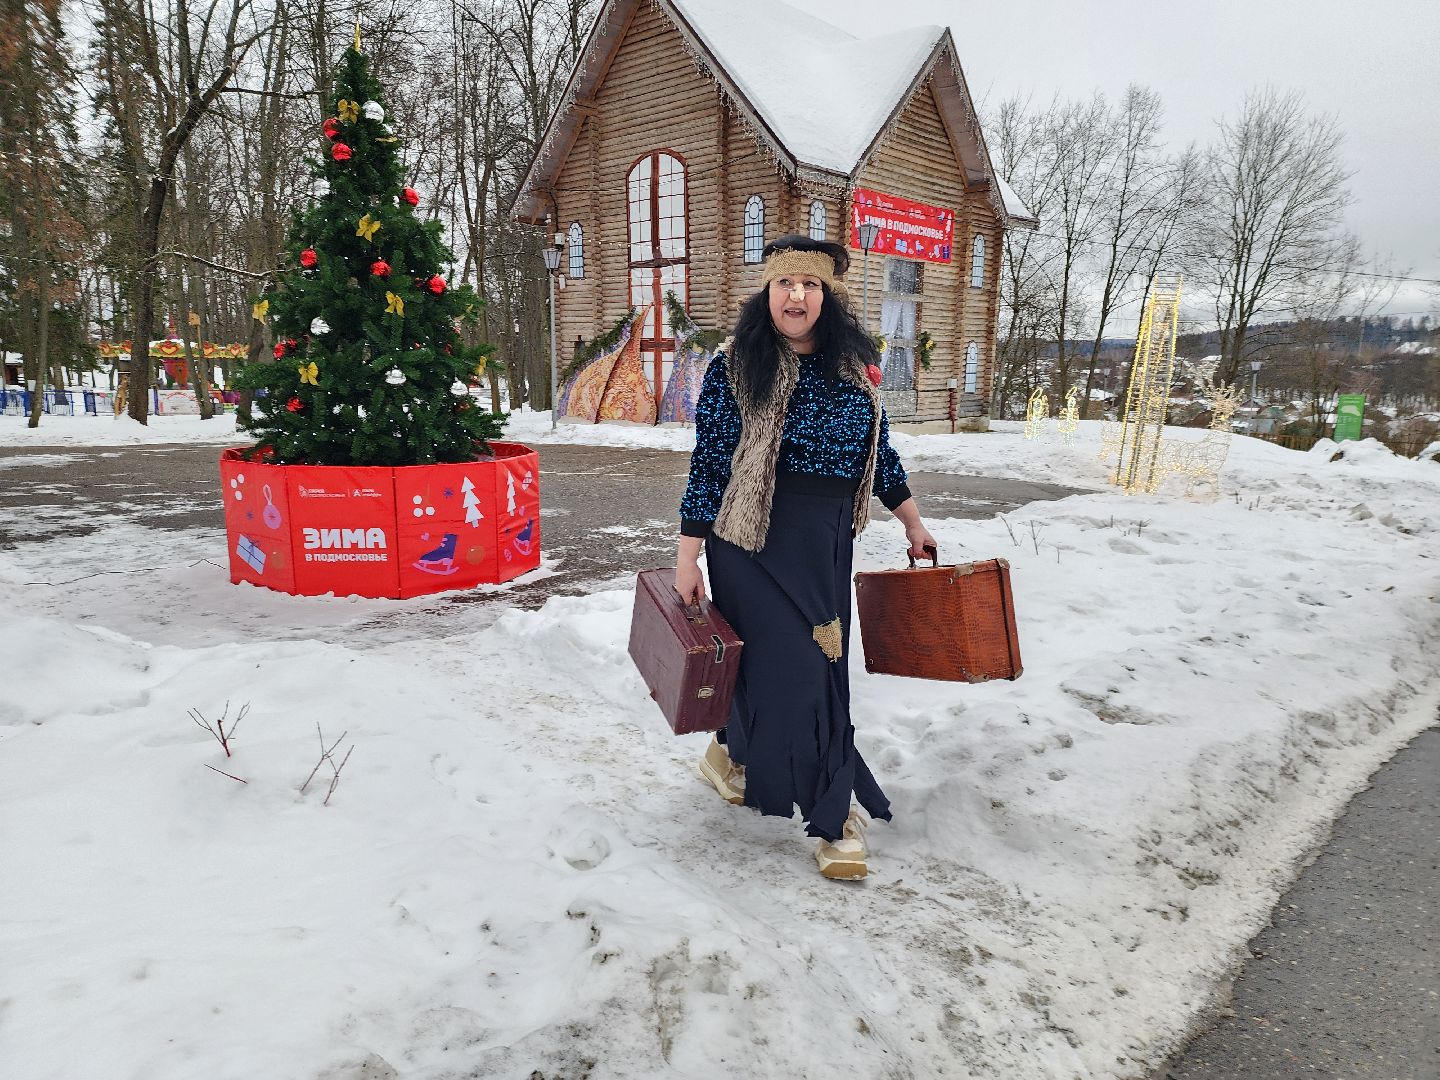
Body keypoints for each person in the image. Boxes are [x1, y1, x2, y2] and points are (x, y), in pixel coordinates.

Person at [675, 234, 936, 880]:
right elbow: (709, 466)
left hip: (823, 546)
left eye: (811, 284)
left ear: (829, 296)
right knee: (805, 676)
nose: (797, 295)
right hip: (749, 542)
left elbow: (882, 459)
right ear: (767, 293)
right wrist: (686, 557)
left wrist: (913, 523)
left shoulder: (854, 371)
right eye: (785, 283)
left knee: (788, 670)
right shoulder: (736, 366)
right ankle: (833, 817)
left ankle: (727, 753)